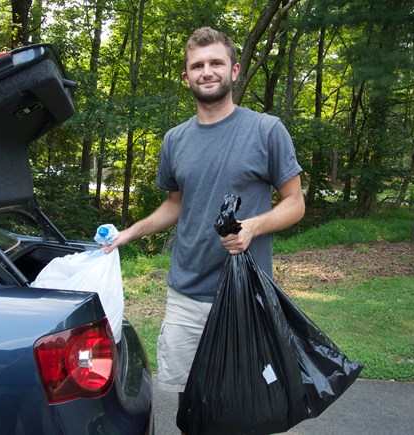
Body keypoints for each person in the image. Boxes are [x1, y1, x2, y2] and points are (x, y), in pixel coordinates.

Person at [104, 26, 305, 412]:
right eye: (197, 65)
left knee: (247, 402)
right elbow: (175, 205)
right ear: (186, 77)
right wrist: (127, 233)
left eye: (216, 62)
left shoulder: (266, 130)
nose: (206, 71)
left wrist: (254, 226)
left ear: (234, 70)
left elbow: (294, 202)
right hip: (186, 294)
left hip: (246, 295)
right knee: (191, 402)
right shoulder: (175, 140)